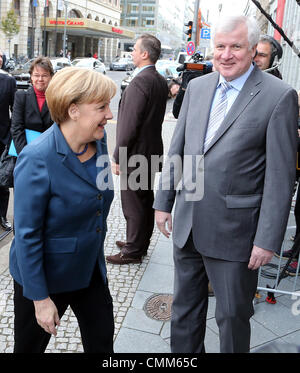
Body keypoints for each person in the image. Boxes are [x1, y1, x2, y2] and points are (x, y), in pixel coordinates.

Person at [153, 15, 298, 353]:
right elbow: (179, 149)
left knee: (232, 317)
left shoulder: (278, 96)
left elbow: (280, 178)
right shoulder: (199, 87)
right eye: (220, 46)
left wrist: (267, 240)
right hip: (188, 225)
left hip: (237, 235)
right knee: (183, 313)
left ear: (253, 51)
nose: (226, 54)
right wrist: (163, 201)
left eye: (236, 47)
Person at [9, 67, 117, 353]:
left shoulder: (99, 140)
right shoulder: (37, 158)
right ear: (73, 111)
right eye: (101, 107)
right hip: (48, 277)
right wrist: (40, 299)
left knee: (103, 344)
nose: (110, 114)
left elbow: (99, 198)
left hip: (89, 269)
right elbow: (26, 235)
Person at [106, 34, 169, 265]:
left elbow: (129, 124)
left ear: (145, 54)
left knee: (133, 204)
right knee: (143, 200)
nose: (131, 53)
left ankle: (133, 250)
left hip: (135, 155)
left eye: (134, 49)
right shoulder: (159, 80)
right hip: (150, 151)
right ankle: (138, 243)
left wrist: (117, 155)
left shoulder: (141, 81)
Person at [11, 57, 54, 156]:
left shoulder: (56, 98)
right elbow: (16, 128)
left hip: (49, 153)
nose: (40, 79)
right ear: (31, 77)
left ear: (51, 77)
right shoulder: (21, 97)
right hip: (24, 152)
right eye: (36, 75)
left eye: (44, 75)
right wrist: (26, 155)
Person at [0, 50, 16, 231]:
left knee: (2, 182)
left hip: (2, 139)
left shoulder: (9, 81)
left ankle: (2, 217)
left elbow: (15, 111)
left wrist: (11, 136)